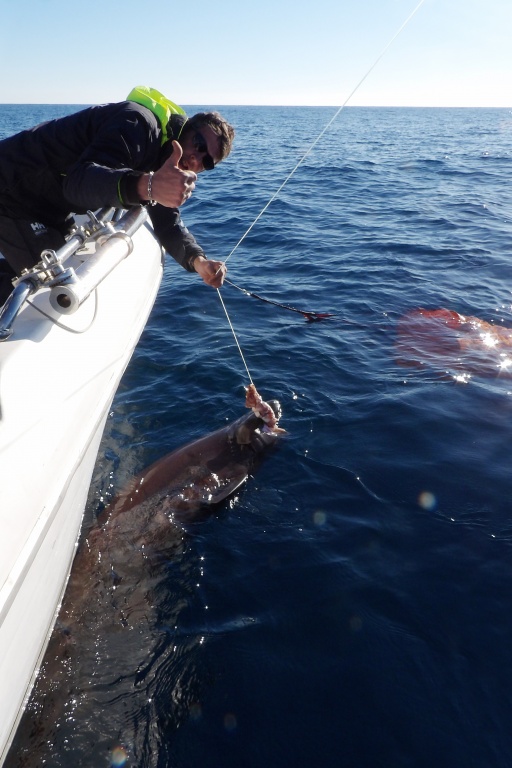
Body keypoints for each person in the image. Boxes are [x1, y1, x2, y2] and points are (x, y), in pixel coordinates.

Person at [0, 85, 235, 304]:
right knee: (48, 292)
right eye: (199, 143)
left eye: (207, 162)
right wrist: (148, 186)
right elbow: (78, 182)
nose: (196, 157)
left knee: (57, 275)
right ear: (187, 127)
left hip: (45, 203)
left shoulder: (161, 155)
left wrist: (198, 261)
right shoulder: (137, 124)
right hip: (12, 189)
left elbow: (167, 222)